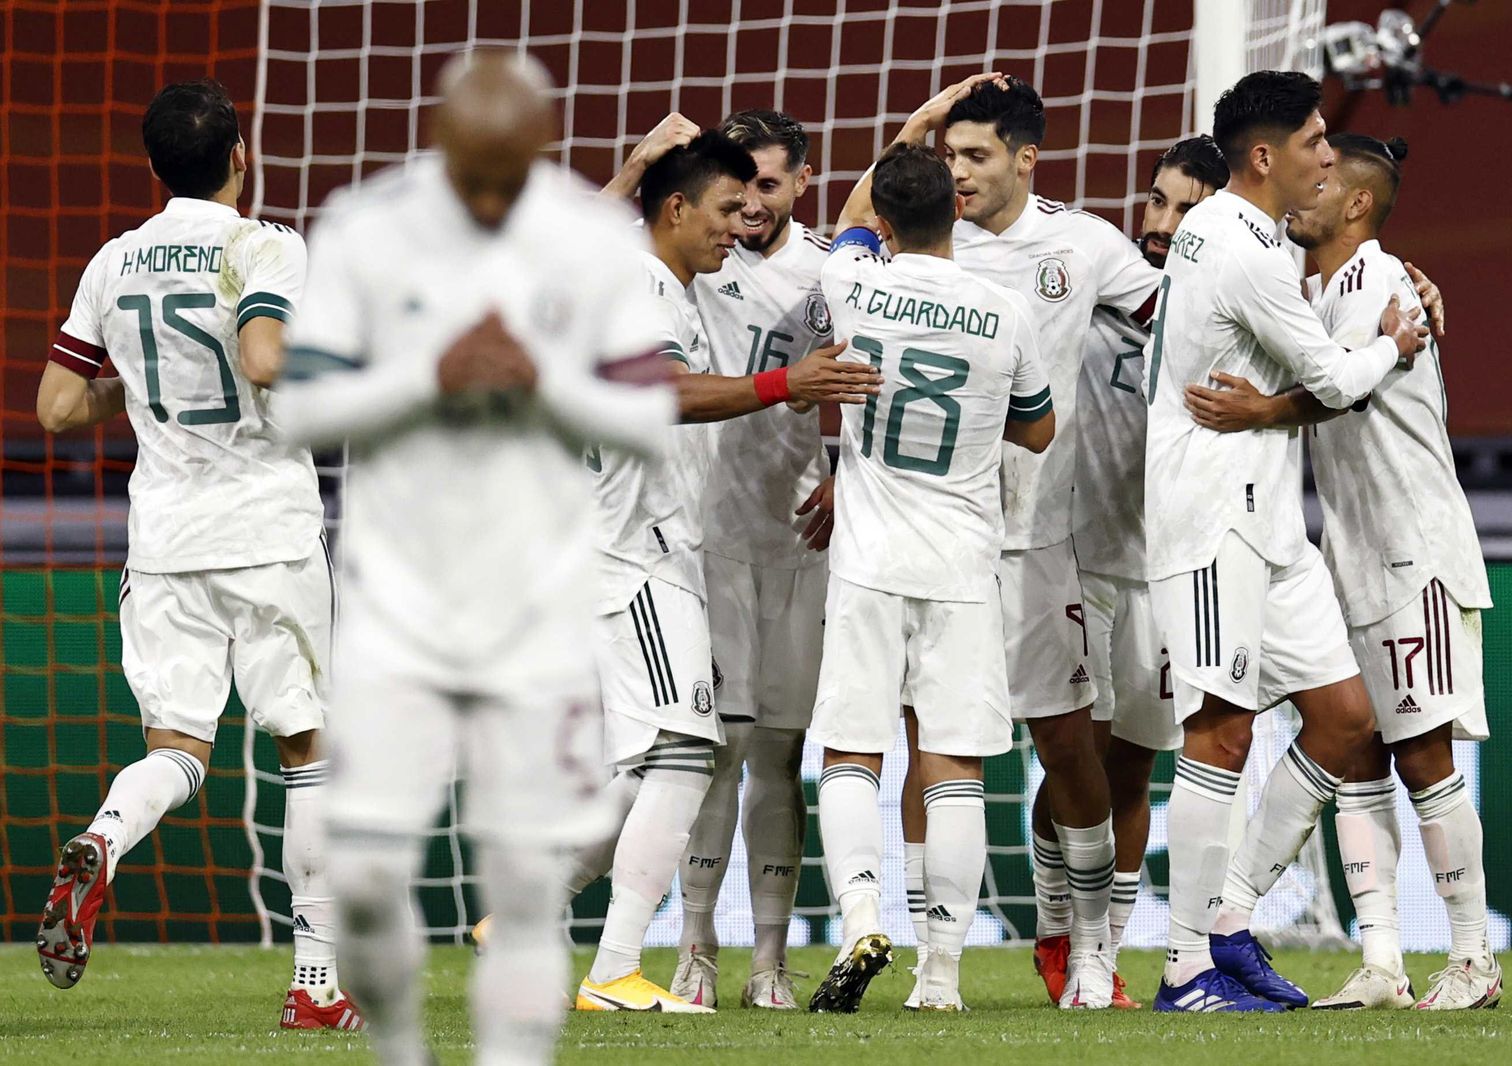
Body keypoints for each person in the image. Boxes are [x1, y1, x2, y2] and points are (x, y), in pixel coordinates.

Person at [274, 53, 683, 1065]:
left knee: (524, 883)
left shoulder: (588, 242)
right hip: (395, 604)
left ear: (542, 148)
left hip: (537, 607)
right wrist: (431, 371)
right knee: (364, 881)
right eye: (475, 176)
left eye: (512, 174)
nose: (493, 197)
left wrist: (539, 374)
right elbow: (303, 407)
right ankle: (402, 1041)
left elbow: (646, 415)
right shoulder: (366, 227)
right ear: (441, 145)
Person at [34, 78, 358, 1030]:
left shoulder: (113, 259)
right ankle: (315, 987)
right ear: (241, 155)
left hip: (165, 539)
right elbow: (261, 360)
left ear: (152, 167)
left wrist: (139, 393)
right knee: (309, 751)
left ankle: (105, 835)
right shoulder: (265, 246)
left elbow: (56, 408)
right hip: (265, 533)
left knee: (177, 749)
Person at [559, 130, 879, 1014]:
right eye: (724, 210)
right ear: (675, 209)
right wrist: (785, 385)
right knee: (688, 748)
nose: (736, 227)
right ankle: (615, 966)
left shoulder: (654, 275)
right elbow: (663, 391)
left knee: (660, 756)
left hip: (646, 547)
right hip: (635, 554)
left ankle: (547, 916)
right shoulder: (645, 285)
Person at [1184, 134, 1500, 1011]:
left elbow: (1342, 386)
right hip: (1350, 550)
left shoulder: (1382, 281)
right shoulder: (1310, 282)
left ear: (1357, 202)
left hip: (1414, 547)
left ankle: (1473, 959)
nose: (1306, 191)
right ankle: (1383, 962)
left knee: (1424, 757)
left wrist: (1255, 413)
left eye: (1324, 182)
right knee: (1357, 751)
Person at [1142, 69, 1430, 1013]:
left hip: (1269, 519)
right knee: (1219, 732)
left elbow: (1298, 370)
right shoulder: (1242, 251)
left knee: (1346, 722)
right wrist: (1396, 338)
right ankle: (1185, 965)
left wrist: (1289, 392)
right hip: (1214, 515)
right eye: (1313, 140)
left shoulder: (1240, 235)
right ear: (1265, 156)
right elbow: (1342, 380)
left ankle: (1225, 919)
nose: (1326, 154)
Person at [891, 73, 1163, 1009]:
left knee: (1066, 742)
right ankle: (936, 966)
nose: (957, 173)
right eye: (948, 156)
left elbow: (1193, 311)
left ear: (1025, 158)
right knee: (936, 747)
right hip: (940, 535)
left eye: (975, 155)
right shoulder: (928, 244)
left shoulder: (1084, 244)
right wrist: (919, 124)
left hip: (1045, 539)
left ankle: (1086, 947)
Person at [809, 141, 1056, 1014]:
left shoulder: (853, 283)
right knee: (952, 767)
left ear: (884, 223)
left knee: (851, 750)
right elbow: (1039, 431)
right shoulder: (1006, 308)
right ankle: (941, 976)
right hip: (961, 564)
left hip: (870, 561)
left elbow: (841, 226)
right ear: (956, 210)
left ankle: (861, 918)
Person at [1073, 135, 1230, 1006]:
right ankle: (1071, 942)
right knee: (1078, 764)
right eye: (1155, 201)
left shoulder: (1232, 311)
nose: (1155, 223)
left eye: (1179, 208)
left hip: (1169, 572)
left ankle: (1109, 950)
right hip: (1083, 560)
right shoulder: (1094, 293)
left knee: (1135, 774)